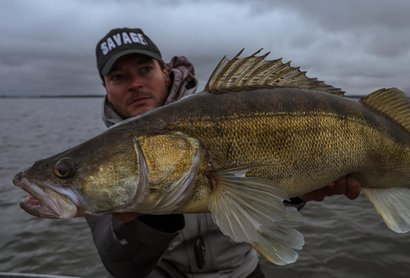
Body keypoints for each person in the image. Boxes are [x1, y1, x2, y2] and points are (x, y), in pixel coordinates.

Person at [86, 27, 362, 278]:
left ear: (165, 71)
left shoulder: (224, 110)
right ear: (105, 87)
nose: (135, 84)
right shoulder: (96, 162)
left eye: (145, 69)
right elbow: (120, 265)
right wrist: (147, 215)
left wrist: (296, 195)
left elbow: (264, 195)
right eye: (118, 77)